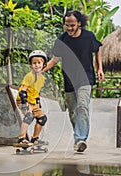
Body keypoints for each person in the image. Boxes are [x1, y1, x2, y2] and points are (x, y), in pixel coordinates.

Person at [43, 10, 105, 152]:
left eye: (72, 25)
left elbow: (98, 50)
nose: (69, 28)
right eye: (67, 25)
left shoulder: (89, 37)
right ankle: (78, 137)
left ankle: (80, 139)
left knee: (83, 106)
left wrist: (100, 69)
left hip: (85, 79)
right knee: (72, 112)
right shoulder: (62, 40)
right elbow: (54, 59)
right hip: (69, 80)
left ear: (79, 23)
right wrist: (41, 70)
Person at [16, 50, 48, 145]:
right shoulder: (29, 76)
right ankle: (22, 138)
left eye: (39, 63)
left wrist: (37, 103)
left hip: (33, 102)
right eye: (34, 63)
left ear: (43, 64)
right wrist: (25, 104)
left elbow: (37, 92)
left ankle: (35, 138)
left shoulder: (42, 78)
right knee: (29, 116)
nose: (37, 65)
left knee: (42, 118)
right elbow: (23, 91)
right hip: (23, 100)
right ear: (31, 65)